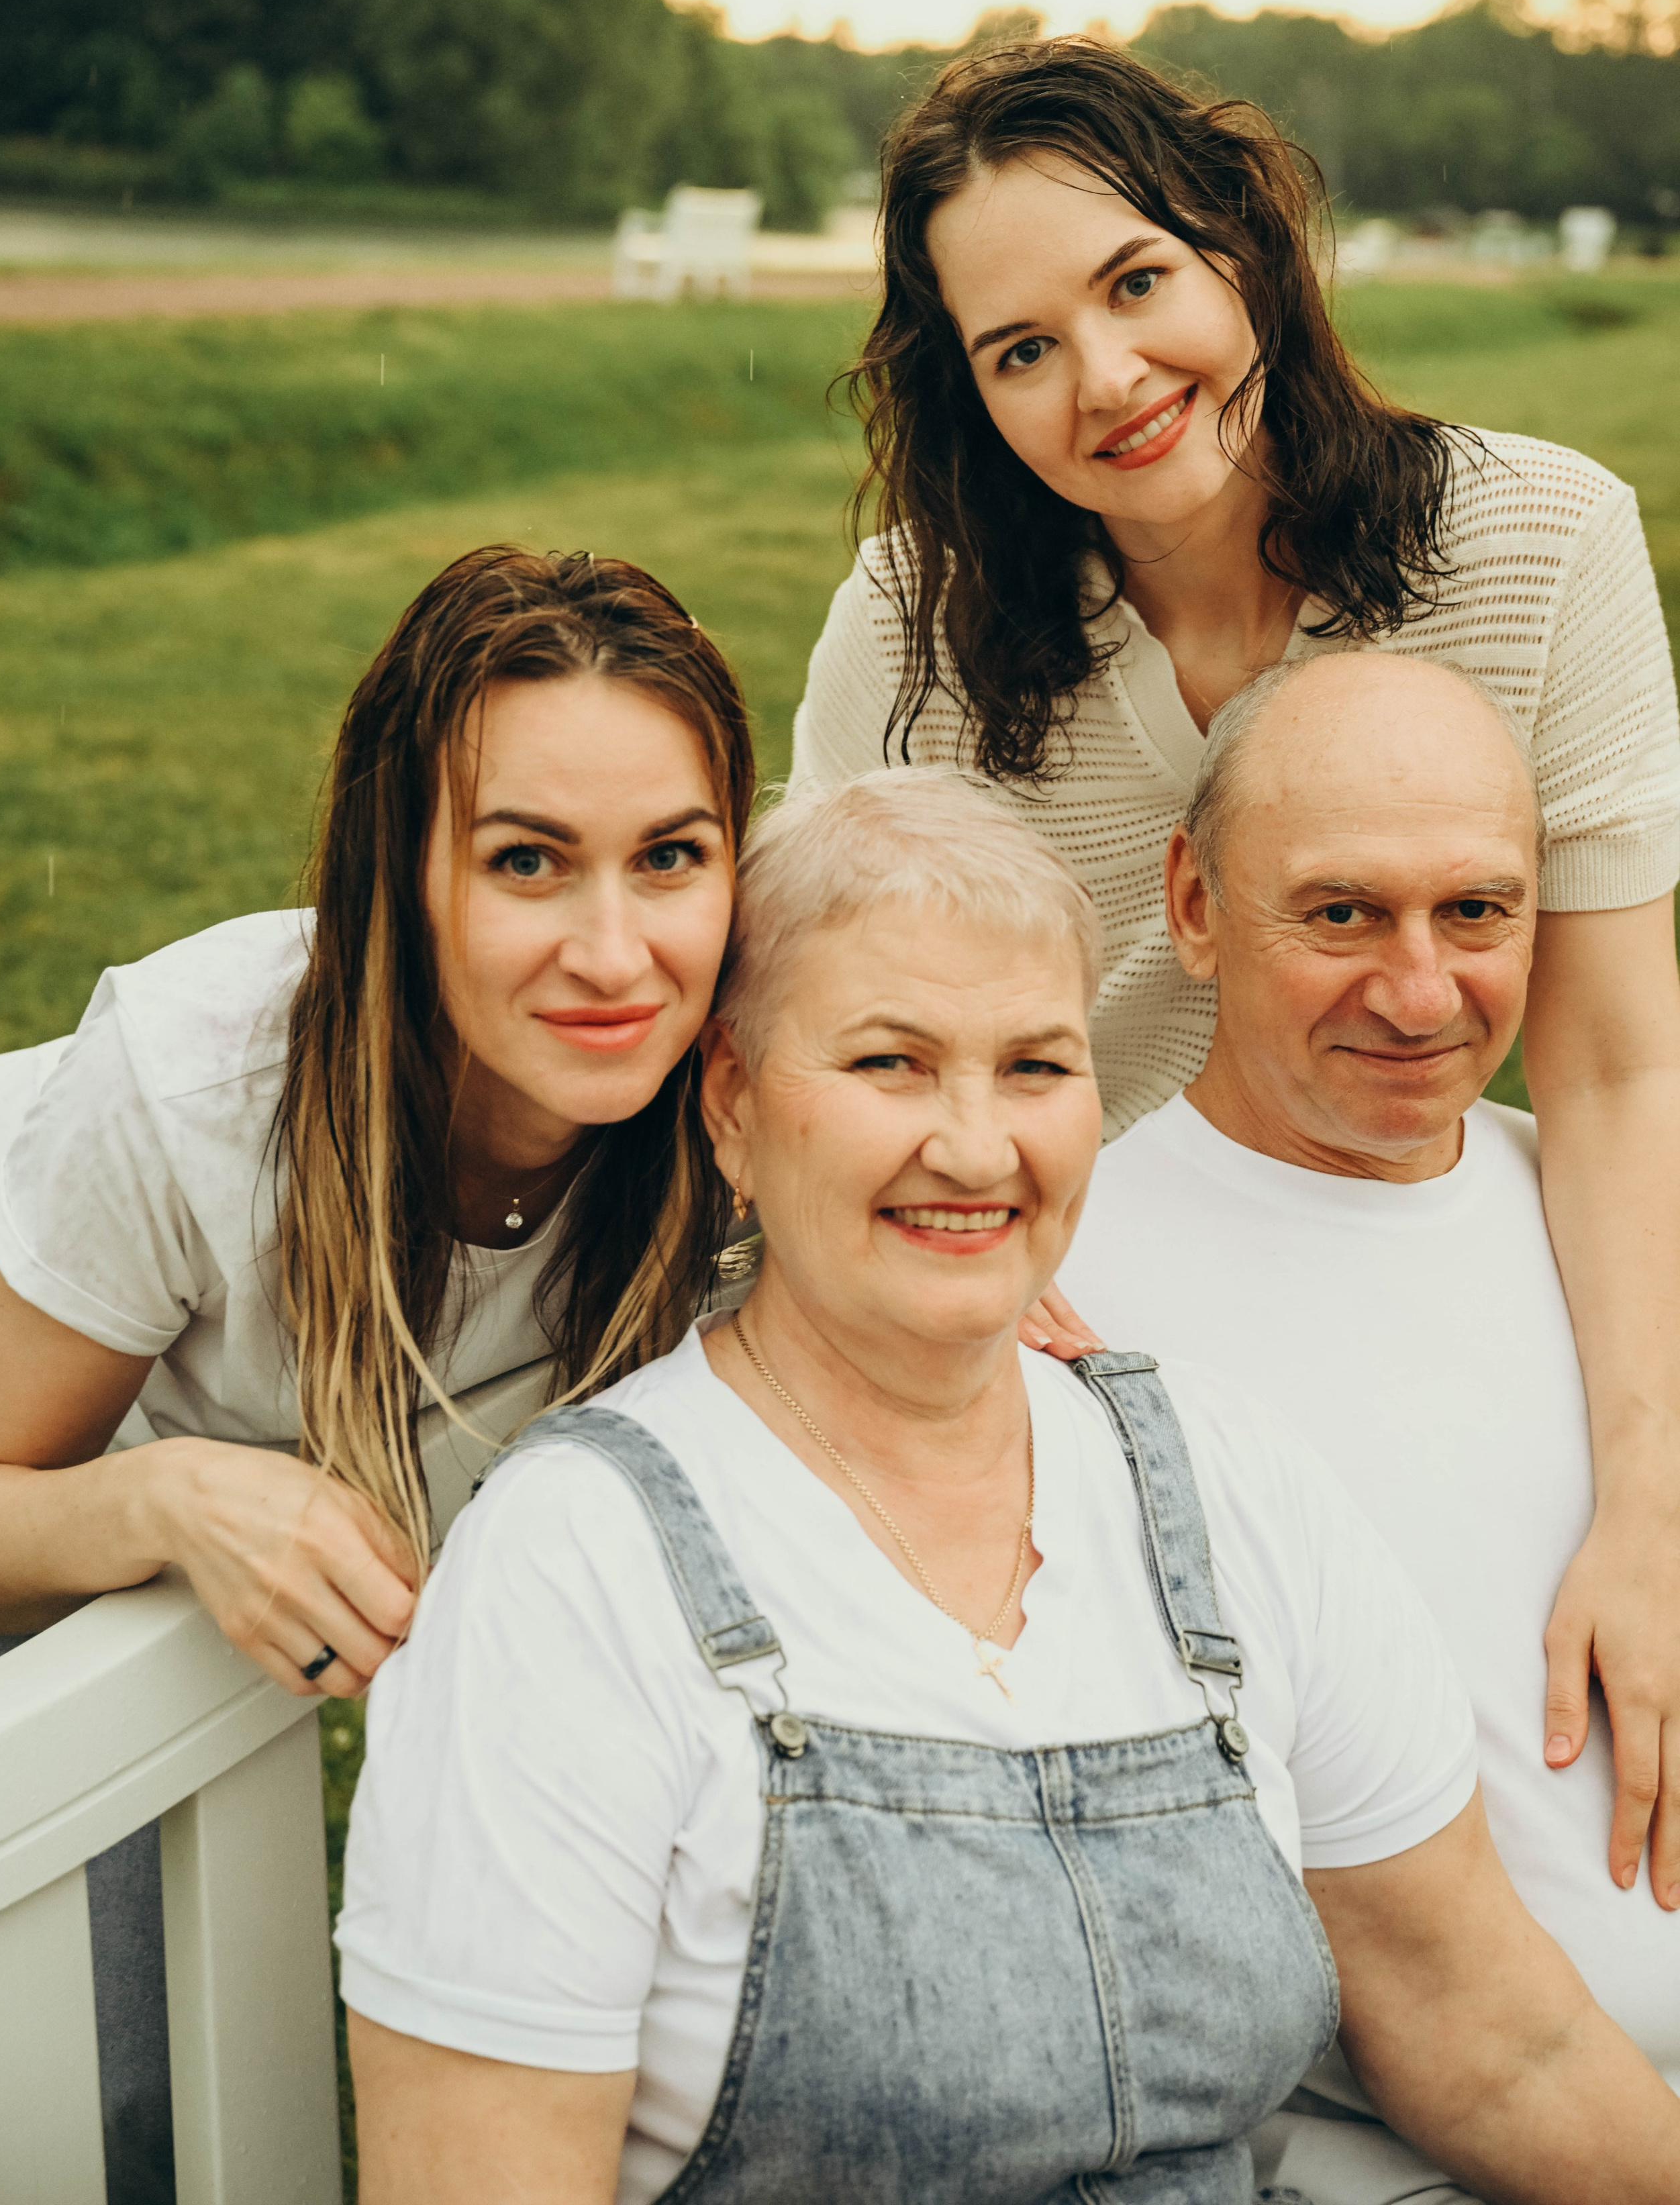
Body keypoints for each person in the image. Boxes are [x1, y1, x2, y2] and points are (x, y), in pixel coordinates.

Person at [338, 770, 1680, 2205]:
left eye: (1035, 1067)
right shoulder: (572, 1567)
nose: (976, 1148)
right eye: (889, 1065)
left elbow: (1493, 2043)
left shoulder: (1220, 1482)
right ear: (730, 1101)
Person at [791, 34, 1680, 1897]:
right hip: (1056, 1319)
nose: (1106, 380)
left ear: (1243, 248)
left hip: (1398, 1254)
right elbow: (807, 1021)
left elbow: (1613, 1066)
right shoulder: (911, 629)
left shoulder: (1541, 541)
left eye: (1136, 284)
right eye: (1020, 350)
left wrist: (1647, 1503)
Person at [0, 542, 753, 2205]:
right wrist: (162, 1500)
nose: (617, 955)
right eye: (527, 861)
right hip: (47, 1534)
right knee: (103, 2121)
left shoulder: (750, 1092)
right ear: (399, 866)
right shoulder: (193, 1090)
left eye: (671, 858)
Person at [1050, 647, 1680, 2204]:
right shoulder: (1067, 1311)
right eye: (1339, 914)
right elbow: (1431, 2012)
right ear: (1192, 905)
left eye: (1475, 912)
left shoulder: (1613, 1231)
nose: (1418, 993)